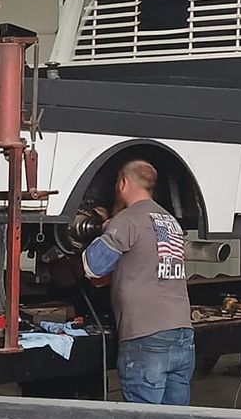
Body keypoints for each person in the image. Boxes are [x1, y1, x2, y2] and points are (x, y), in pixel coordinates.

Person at [81, 158, 194, 404]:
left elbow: (93, 266)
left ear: (122, 183)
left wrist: (105, 229)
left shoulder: (128, 220)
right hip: (182, 334)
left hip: (147, 337)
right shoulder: (170, 221)